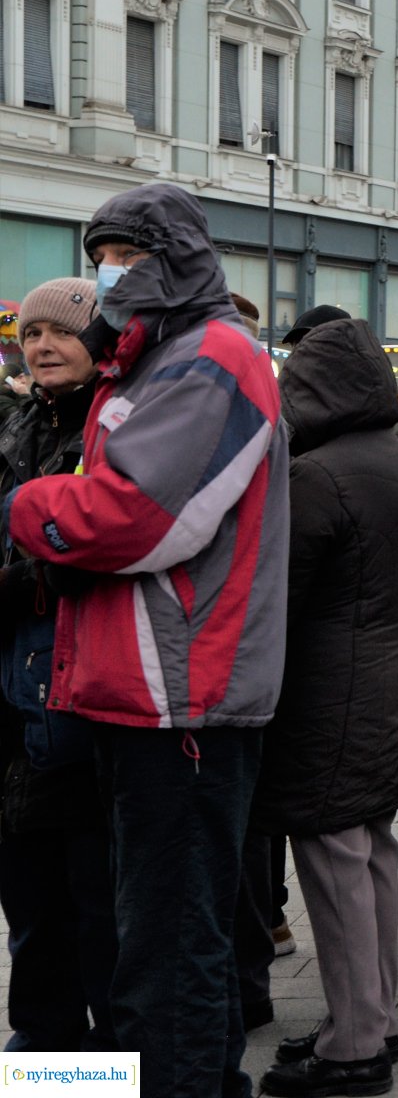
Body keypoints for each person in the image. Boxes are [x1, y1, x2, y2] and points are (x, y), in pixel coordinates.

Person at [3, 183, 288, 1097]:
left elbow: (134, 518)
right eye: (102, 257)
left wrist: (18, 506)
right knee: (135, 949)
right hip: (128, 697)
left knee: (168, 958)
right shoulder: (155, 361)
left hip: (184, 701)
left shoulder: (212, 357)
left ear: (171, 261)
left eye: (123, 257)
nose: (108, 275)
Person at [255, 319, 398, 1098]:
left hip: (329, 696)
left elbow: (276, 594)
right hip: (387, 686)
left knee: (332, 867)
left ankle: (354, 1045)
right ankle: (370, 1018)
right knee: (371, 856)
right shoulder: (396, 461)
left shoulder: (318, 474)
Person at [0, 278, 115, 1051]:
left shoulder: (116, 428)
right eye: (32, 334)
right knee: (32, 915)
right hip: (14, 695)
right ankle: (44, 1065)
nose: (42, 346)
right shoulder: (13, 428)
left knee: (99, 916)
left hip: (88, 696)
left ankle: (109, 1065)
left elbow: (91, 551)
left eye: (62, 333)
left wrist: (24, 571)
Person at [283, 305, 398, 472]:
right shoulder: (287, 420)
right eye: (297, 348)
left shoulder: (396, 426)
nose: (299, 357)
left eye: (313, 347)